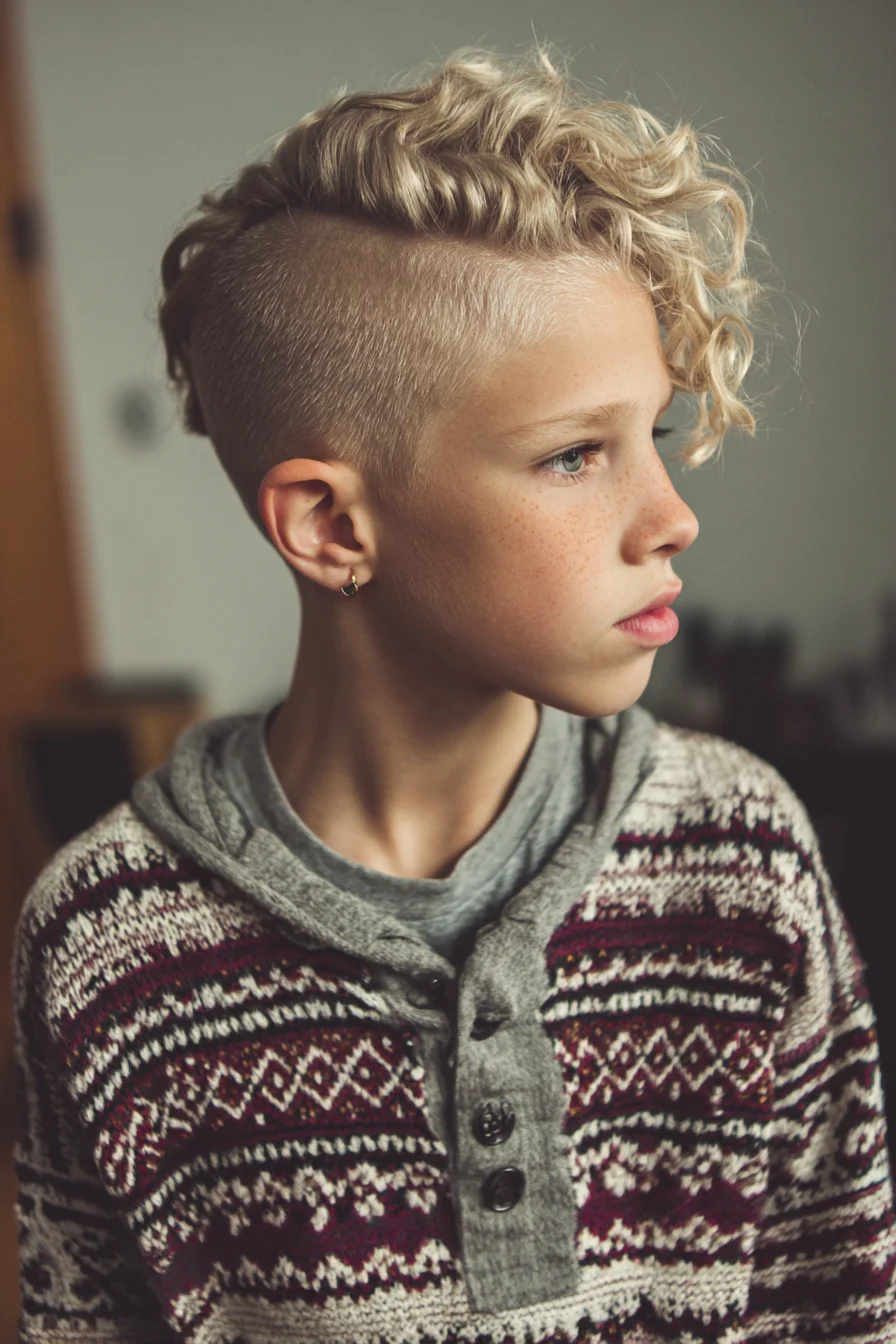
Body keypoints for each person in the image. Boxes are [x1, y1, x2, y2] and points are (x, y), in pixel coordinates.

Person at [11, 42, 895, 1344]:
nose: (672, 517)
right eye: (574, 455)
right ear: (328, 525)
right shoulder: (103, 943)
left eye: (651, 434)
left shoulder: (740, 852)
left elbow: (843, 1305)